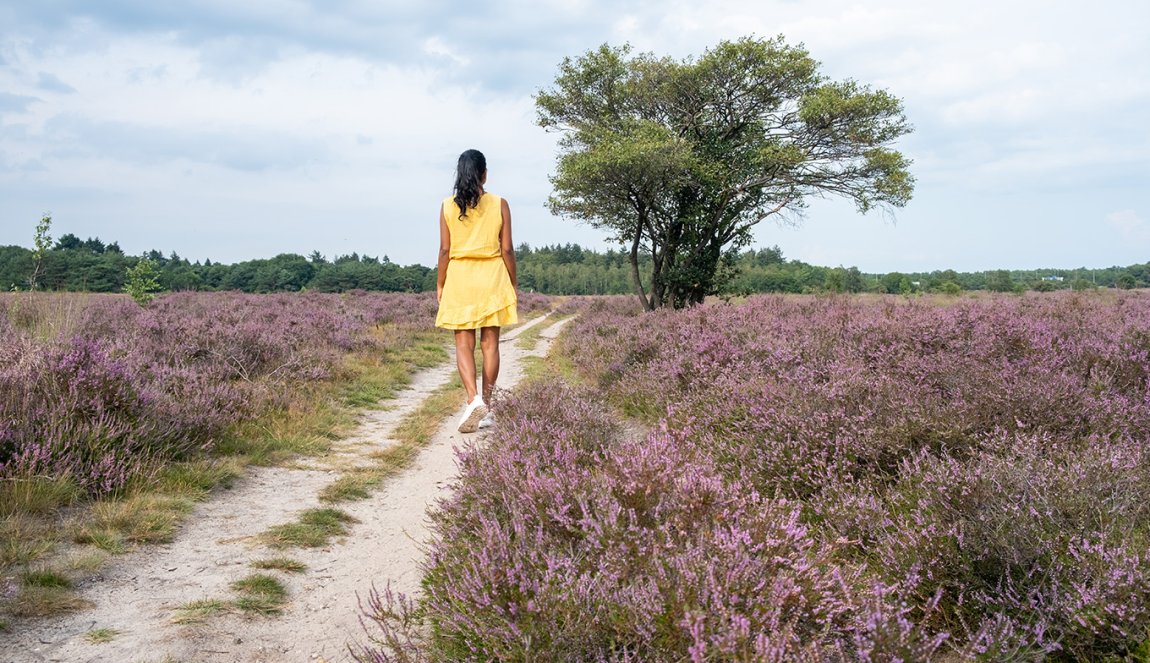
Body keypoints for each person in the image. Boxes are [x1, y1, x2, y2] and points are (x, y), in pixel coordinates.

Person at [435, 149, 518, 433]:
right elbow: (506, 248)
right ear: (484, 173)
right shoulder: (500, 204)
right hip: (492, 275)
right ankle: (488, 407)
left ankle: (472, 399)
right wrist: (512, 281)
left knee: (463, 344)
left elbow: (445, 250)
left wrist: (440, 283)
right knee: (490, 344)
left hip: (460, 276)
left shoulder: (447, 206)